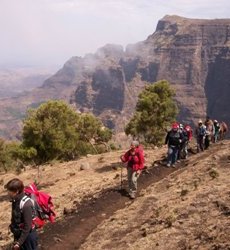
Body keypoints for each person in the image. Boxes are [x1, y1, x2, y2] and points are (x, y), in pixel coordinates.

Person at [5, 178, 38, 250]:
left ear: (16, 191)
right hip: (19, 235)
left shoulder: (26, 204)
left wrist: (19, 243)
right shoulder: (15, 200)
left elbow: (27, 226)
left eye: (9, 191)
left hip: (28, 238)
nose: (8, 192)